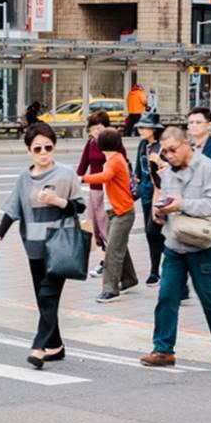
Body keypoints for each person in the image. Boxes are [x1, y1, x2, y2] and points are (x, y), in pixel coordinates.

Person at [0, 123, 86, 369]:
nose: (43, 152)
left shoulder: (65, 174)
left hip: (61, 245)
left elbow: (80, 206)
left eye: (48, 147)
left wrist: (58, 201)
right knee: (44, 301)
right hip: (34, 247)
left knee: (48, 296)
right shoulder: (24, 178)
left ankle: (39, 347)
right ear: (29, 151)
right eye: (37, 148)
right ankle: (57, 345)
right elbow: (12, 211)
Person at [140, 127, 211, 368]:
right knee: (167, 296)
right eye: (165, 151)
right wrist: (161, 211)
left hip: (203, 244)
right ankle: (163, 349)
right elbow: (167, 199)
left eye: (173, 150)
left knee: (209, 298)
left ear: (187, 145)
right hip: (175, 244)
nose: (169, 155)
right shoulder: (168, 173)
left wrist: (181, 205)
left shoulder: (207, 168)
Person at [82, 128, 138, 302]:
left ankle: (110, 290)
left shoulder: (113, 161)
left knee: (113, 250)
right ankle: (129, 280)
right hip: (117, 211)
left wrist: (83, 178)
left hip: (122, 212)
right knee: (118, 245)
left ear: (102, 144)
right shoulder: (114, 158)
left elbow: (104, 177)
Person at [76, 111, 122, 276]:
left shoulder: (113, 144)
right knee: (94, 226)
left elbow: (120, 165)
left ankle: (107, 263)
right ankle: (108, 260)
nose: (96, 131)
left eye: (100, 127)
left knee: (106, 227)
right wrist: (75, 182)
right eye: (93, 128)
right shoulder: (90, 144)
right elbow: (82, 166)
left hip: (108, 191)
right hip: (94, 191)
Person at [135, 112, 165, 285]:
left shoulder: (161, 147)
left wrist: (160, 161)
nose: (141, 130)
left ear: (154, 129)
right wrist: (135, 182)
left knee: (154, 230)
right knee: (151, 235)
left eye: (144, 126)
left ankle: (164, 268)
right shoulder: (143, 144)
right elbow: (138, 168)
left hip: (159, 194)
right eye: (140, 126)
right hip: (146, 193)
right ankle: (154, 271)